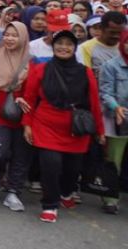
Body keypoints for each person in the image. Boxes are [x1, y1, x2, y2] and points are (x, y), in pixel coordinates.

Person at [23, 29, 106, 222]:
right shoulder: (41, 70)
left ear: (74, 48)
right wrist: (27, 124)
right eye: (59, 44)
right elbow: (29, 99)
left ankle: (66, 193)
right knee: (50, 165)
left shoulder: (85, 72)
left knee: (72, 169)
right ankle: (50, 205)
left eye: (69, 44)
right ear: (53, 46)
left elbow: (94, 103)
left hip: (76, 128)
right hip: (46, 125)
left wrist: (100, 131)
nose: (63, 47)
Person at [0, 21, 33, 212]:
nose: (9, 38)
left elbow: (35, 90)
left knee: (21, 155)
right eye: (7, 34)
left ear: (23, 37)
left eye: (14, 35)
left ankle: (13, 192)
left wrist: (25, 101)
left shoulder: (33, 61)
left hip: (25, 115)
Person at [97, 36, 128, 214]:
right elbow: (105, 92)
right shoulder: (111, 66)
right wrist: (116, 107)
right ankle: (110, 198)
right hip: (118, 118)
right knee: (113, 160)